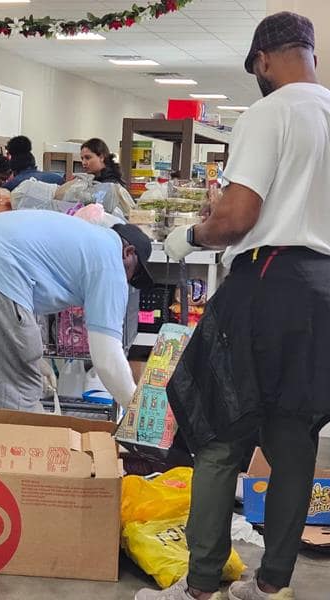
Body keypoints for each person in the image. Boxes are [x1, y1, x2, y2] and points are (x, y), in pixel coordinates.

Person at [136, 12, 330, 600]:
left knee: (220, 434)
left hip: (267, 280)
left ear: (263, 59)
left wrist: (191, 235)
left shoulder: (271, 112)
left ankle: (201, 586)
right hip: (323, 291)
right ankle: (272, 587)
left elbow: (238, 216)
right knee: (294, 440)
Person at [0, 210, 153, 416]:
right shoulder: (110, 262)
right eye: (133, 274)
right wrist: (137, 413)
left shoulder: (89, 239)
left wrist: (34, 358)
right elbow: (107, 358)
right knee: (15, 400)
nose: (127, 282)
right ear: (128, 253)